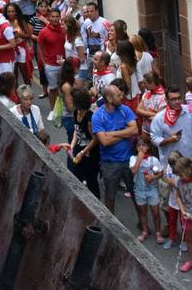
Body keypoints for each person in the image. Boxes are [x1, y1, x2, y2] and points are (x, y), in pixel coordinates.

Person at [92, 83, 138, 215]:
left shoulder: (125, 110)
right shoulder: (98, 116)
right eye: (118, 95)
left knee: (137, 194)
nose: (122, 96)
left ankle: (143, 224)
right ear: (109, 98)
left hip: (129, 160)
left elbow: (135, 130)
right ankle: (111, 224)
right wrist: (125, 133)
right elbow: (104, 142)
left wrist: (113, 133)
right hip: (110, 163)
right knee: (110, 195)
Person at [149, 84, 192, 164]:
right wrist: (169, 140)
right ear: (166, 100)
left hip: (190, 161)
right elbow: (154, 139)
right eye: (173, 99)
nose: (177, 102)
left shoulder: (189, 111)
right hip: (171, 166)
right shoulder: (159, 118)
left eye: (178, 98)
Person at [66, 86, 101, 195]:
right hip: (79, 148)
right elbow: (77, 131)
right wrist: (72, 146)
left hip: (90, 153)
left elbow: (95, 139)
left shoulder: (89, 118)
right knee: (76, 177)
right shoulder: (76, 112)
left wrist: (82, 152)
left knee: (91, 182)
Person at [131, 136, 165, 243]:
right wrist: (139, 158)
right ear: (136, 148)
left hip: (152, 189)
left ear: (148, 147)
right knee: (143, 212)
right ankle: (144, 231)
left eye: (144, 145)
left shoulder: (153, 160)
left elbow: (161, 173)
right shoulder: (133, 159)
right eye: (139, 145)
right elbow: (134, 170)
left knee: (155, 212)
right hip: (139, 189)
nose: (141, 148)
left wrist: (153, 177)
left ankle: (158, 232)